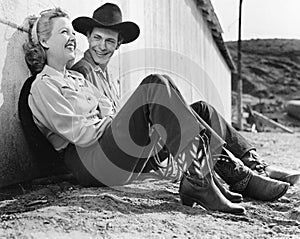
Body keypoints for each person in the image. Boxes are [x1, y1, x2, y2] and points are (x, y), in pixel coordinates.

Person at [23, 7, 288, 216]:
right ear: (44, 42)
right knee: (155, 85)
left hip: (106, 151)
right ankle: (220, 177)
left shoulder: (75, 79)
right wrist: (129, 121)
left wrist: (139, 122)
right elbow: (82, 134)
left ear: (117, 45)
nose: (72, 39)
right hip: (89, 161)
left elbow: (105, 114)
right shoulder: (44, 86)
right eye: (64, 33)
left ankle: (215, 175)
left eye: (72, 33)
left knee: (185, 102)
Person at [71, 3, 300, 187]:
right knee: (158, 89)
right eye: (97, 38)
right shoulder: (82, 71)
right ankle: (237, 176)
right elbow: (96, 127)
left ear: (118, 44)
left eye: (110, 40)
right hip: (106, 158)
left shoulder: (108, 76)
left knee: (202, 109)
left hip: (126, 151)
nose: (102, 46)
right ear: (88, 37)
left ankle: (256, 165)